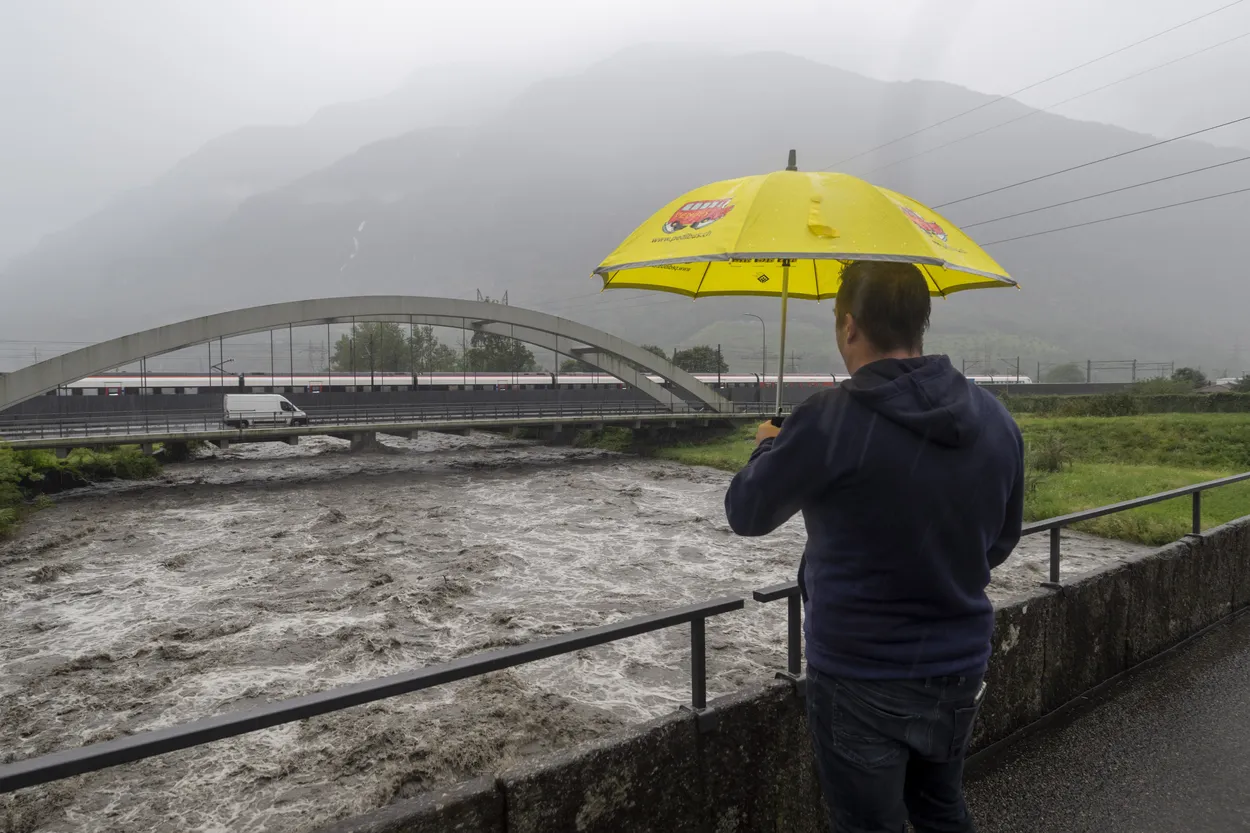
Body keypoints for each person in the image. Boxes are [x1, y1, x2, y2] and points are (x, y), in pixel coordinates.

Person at [724, 260, 1023, 833]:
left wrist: (765, 448)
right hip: (959, 664)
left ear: (849, 326)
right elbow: (1001, 540)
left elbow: (747, 513)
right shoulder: (994, 418)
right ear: (921, 322)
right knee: (940, 808)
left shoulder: (831, 418)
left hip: (859, 673)